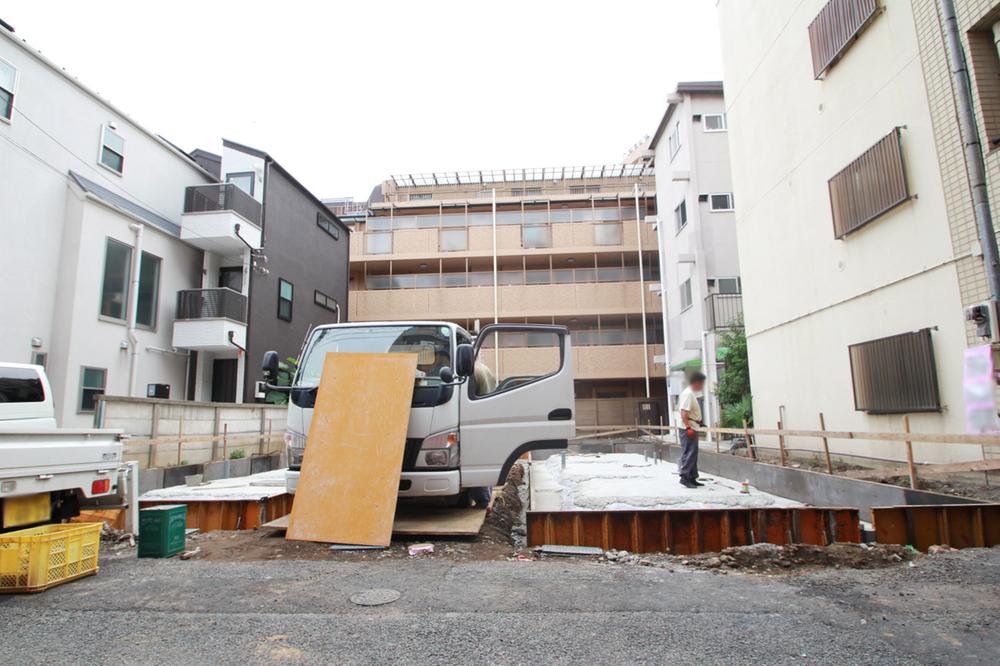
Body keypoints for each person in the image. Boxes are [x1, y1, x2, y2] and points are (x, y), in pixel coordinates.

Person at [677, 372, 706, 488]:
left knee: (693, 453)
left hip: (693, 426)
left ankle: (692, 477)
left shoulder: (691, 393)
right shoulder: (688, 394)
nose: (702, 386)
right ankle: (685, 477)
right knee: (689, 452)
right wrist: (688, 427)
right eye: (702, 384)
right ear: (697, 382)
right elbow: (684, 412)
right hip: (688, 427)